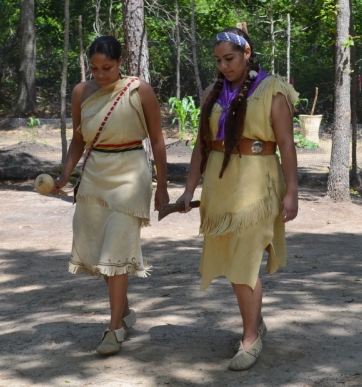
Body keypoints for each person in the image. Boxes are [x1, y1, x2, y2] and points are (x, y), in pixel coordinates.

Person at [176, 27, 299, 370]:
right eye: (218, 61)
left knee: (244, 262)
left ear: (247, 53)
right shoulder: (213, 94)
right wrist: (189, 189)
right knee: (232, 263)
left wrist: (292, 192)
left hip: (258, 182)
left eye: (229, 58)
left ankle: (250, 338)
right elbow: (201, 146)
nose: (224, 66)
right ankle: (254, 322)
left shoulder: (272, 89)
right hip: (220, 183)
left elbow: (287, 144)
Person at [51, 36, 169, 356]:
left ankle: (114, 329)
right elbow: (78, 140)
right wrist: (64, 175)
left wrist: (163, 186)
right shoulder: (80, 92)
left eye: (108, 67)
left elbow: (157, 141)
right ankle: (126, 313)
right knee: (102, 255)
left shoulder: (138, 90)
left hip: (131, 173)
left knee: (116, 250)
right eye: (94, 68)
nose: (101, 74)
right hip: (94, 174)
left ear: (120, 63)